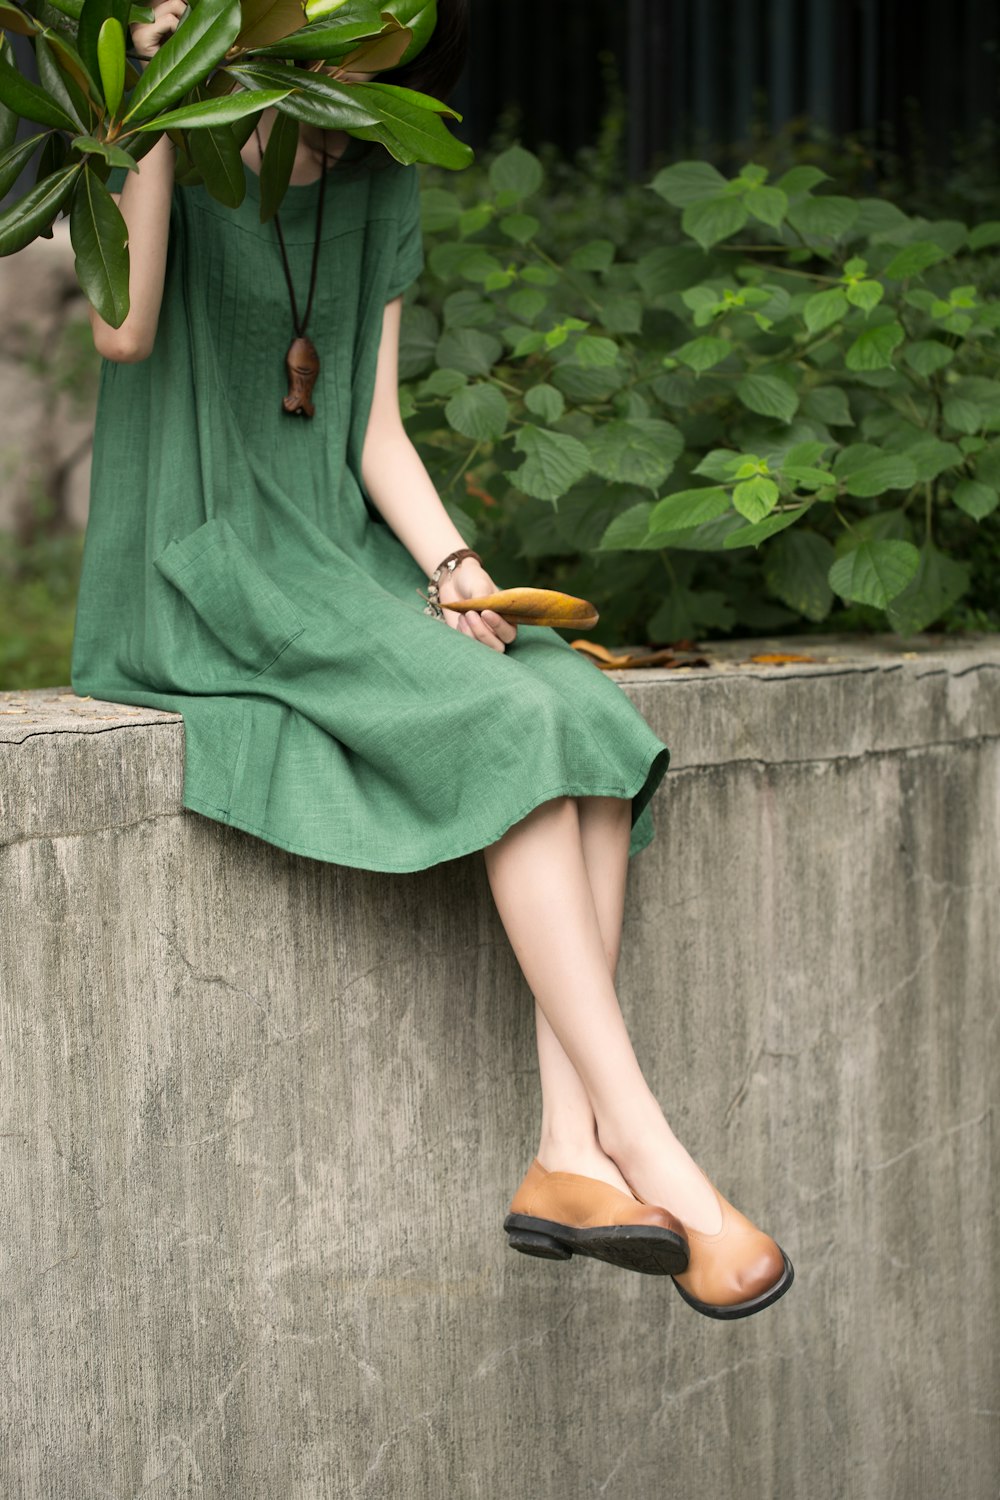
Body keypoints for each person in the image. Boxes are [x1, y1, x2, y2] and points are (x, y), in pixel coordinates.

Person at [73, 0, 793, 1319]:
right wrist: (143, 108)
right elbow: (120, 330)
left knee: (575, 704)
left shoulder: (377, 165)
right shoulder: (179, 123)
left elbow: (374, 429)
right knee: (510, 730)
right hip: (205, 555)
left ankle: (568, 1156)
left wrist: (456, 568)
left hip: (337, 554)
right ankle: (648, 1148)